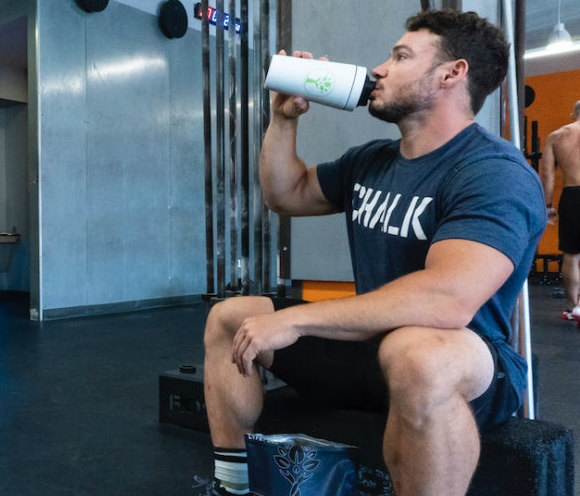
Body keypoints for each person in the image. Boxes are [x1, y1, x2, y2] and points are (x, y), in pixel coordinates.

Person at [202, 9, 545, 496]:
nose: (379, 69)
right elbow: (286, 193)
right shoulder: (372, 161)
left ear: (452, 73)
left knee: (417, 354)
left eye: (401, 57)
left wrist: (297, 320)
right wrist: (283, 119)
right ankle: (233, 485)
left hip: (463, 359)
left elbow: (447, 298)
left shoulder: (493, 172)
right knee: (230, 317)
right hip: (373, 348)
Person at [539, 100, 580, 321]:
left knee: (571, 255)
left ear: (573, 113)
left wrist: (548, 206)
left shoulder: (557, 136)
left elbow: (548, 174)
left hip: (573, 195)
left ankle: (574, 308)